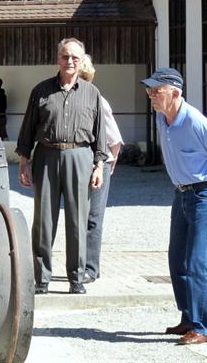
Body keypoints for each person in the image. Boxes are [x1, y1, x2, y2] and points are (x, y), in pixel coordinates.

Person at [142, 67, 207, 345]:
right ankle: (188, 318)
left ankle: (203, 328)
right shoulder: (161, 117)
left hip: (206, 195)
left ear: (176, 93)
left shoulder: (195, 121)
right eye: (150, 91)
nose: (152, 96)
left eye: (157, 91)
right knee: (177, 261)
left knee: (198, 263)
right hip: (181, 194)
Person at [16, 38, 107, 295]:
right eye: (65, 56)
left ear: (82, 61)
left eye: (75, 58)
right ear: (58, 58)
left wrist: (99, 165)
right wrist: (24, 161)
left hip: (80, 156)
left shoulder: (92, 93)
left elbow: (100, 134)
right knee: (44, 219)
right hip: (46, 156)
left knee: (78, 219)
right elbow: (28, 129)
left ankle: (76, 277)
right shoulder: (41, 91)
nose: (70, 62)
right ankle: (42, 278)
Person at [77, 56, 123, 284]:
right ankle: (80, 264)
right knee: (80, 216)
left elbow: (115, 138)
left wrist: (108, 163)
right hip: (81, 163)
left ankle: (90, 268)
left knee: (93, 216)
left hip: (98, 163)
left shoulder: (97, 100)